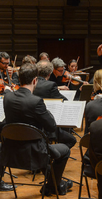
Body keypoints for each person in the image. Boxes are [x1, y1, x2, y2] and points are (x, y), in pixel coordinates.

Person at [2, 63, 72, 196]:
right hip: (35, 154)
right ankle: (52, 186)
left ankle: (54, 184)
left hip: (10, 152)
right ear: (35, 80)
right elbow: (51, 126)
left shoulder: (8, 97)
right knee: (65, 150)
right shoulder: (36, 101)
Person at [33, 60, 77, 149]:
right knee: (72, 140)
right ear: (50, 73)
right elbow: (64, 100)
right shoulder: (50, 85)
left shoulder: (31, 83)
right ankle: (51, 154)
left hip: (33, 125)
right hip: (47, 126)